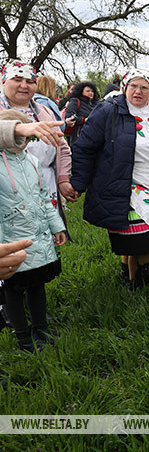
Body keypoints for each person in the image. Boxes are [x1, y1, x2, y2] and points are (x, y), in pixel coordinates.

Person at [71, 68, 149, 291]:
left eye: (145, 87)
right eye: (133, 86)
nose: (138, 91)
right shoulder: (108, 111)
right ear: (124, 87)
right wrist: (78, 182)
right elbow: (85, 147)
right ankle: (140, 279)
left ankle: (138, 275)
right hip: (126, 183)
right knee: (142, 234)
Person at [0, 109, 67, 352]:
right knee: (13, 293)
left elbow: (43, 198)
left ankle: (40, 329)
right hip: (11, 243)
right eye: (18, 136)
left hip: (37, 241)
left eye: (27, 136)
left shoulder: (32, 161)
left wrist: (56, 226)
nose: (23, 142)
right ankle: (23, 337)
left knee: (37, 286)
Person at [0, 60, 76, 235]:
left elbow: (62, 147)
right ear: (4, 81)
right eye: (17, 79)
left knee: (49, 237)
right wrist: (18, 129)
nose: (24, 85)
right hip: (9, 191)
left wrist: (63, 178)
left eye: (30, 81)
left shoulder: (44, 111)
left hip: (45, 184)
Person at [64, 81, 99, 149]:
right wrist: (84, 120)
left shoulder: (96, 104)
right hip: (79, 139)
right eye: (87, 91)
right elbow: (69, 117)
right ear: (81, 91)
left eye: (92, 91)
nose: (91, 93)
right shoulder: (75, 101)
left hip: (94, 139)